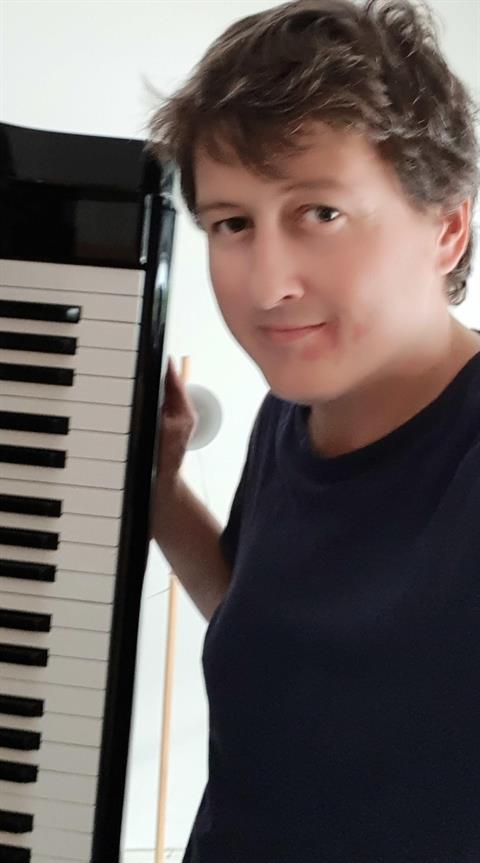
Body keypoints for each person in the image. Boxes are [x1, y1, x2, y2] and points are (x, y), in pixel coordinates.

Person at [149, 0, 480, 859]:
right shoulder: (294, 410)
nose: (268, 286)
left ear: (447, 227)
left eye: (320, 212)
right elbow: (268, 626)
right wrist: (160, 493)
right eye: (233, 223)